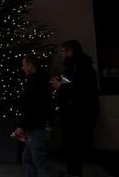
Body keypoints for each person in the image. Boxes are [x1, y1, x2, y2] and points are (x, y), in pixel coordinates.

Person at [50, 40, 100, 177]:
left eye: (62, 51)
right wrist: (60, 80)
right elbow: (71, 83)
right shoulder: (73, 67)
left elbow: (80, 90)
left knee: (75, 148)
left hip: (79, 114)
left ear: (70, 51)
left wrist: (60, 86)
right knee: (72, 148)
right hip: (73, 113)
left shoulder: (82, 67)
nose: (61, 54)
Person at [13, 55, 55, 177]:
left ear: (31, 65)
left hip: (39, 127)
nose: (23, 68)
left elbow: (32, 107)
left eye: (24, 65)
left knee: (40, 161)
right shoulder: (36, 80)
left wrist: (22, 125)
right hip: (36, 126)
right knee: (28, 159)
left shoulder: (36, 83)